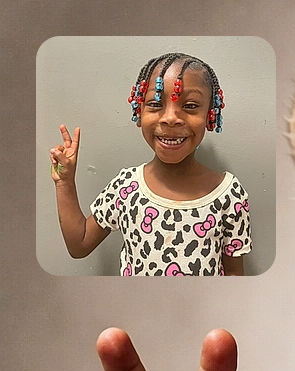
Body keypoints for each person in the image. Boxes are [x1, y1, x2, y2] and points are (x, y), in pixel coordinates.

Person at [49, 52, 250, 276]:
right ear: (139, 110)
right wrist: (64, 183)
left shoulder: (229, 194)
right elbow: (79, 245)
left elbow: (234, 274)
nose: (170, 118)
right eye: (155, 104)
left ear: (210, 115)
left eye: (190, 105)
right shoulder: (126, 186)